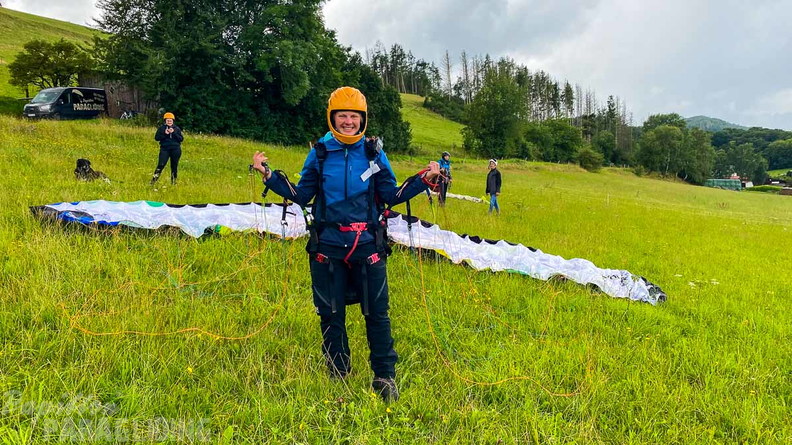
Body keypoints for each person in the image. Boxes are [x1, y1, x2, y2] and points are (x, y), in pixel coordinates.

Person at [251, 86, 439, 402]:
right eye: (343, 116)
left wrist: (423, 180)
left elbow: (389, 195)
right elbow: (302, 195)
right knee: (330, 312)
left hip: (367, 244)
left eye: (354, 116)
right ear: (333, 118)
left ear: (362, 119)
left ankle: (384, 376)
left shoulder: (373, 153)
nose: (348, 122)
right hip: (328, 245)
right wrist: (269, 176)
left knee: (377, 313)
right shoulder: (321, 153)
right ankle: (338, 371)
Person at [151, 112, 183, 185]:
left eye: (170, 120)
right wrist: (165, 134)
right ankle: (153, 181)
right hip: (165, 149)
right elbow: (157, 138)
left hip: (176, 149)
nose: (169, 122)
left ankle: (174, 182)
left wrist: (174, 133)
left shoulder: (177, 129)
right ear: (165, 121)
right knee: (161, 164)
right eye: (167, 120)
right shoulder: (161, 128)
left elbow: (181, 139)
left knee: (174, 166)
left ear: (173, 121)